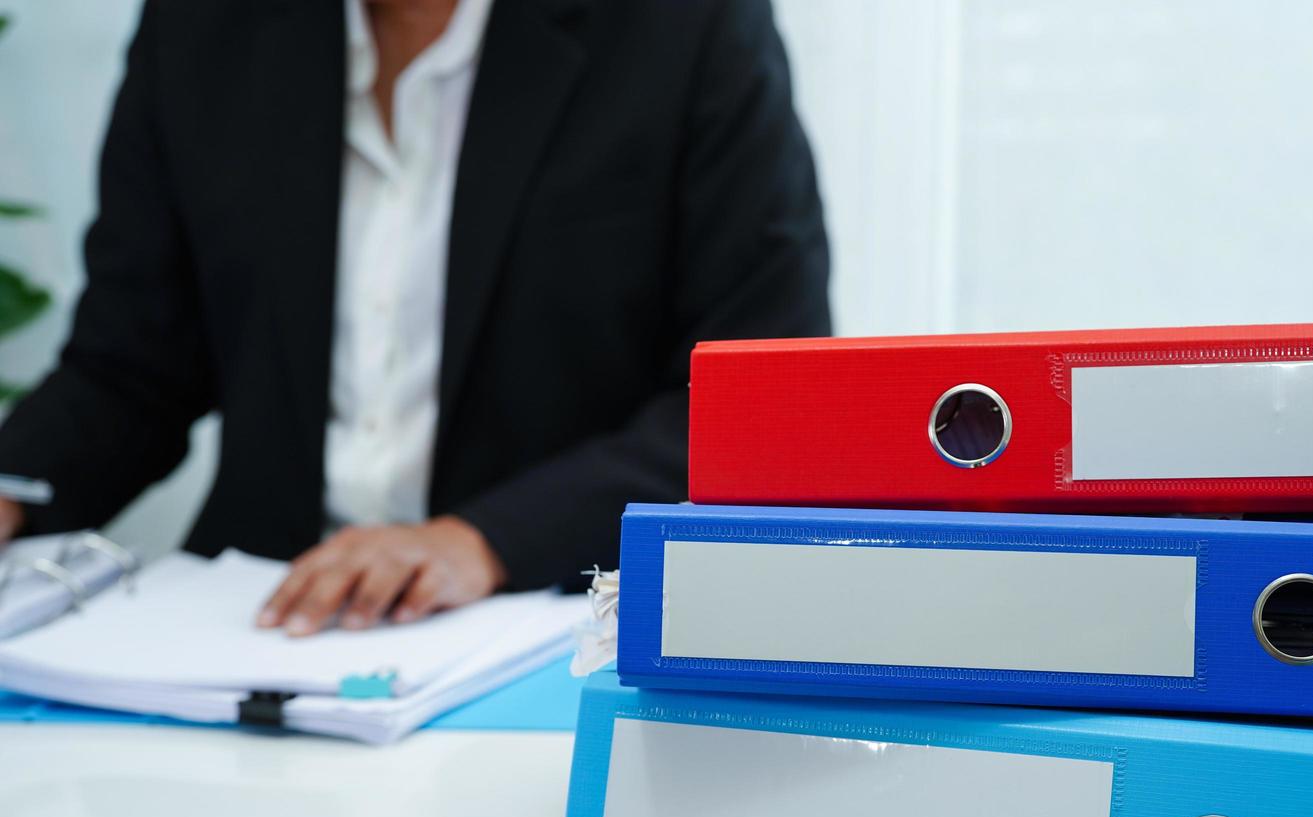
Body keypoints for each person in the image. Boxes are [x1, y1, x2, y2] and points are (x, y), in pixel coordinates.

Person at [0, 0, 830, 635]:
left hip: (548, 615)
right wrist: (10, 490)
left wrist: (483, 541)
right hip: (262, 625)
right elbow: (131, 367)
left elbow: (764, 403)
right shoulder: (202, 28)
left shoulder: (686, 29)